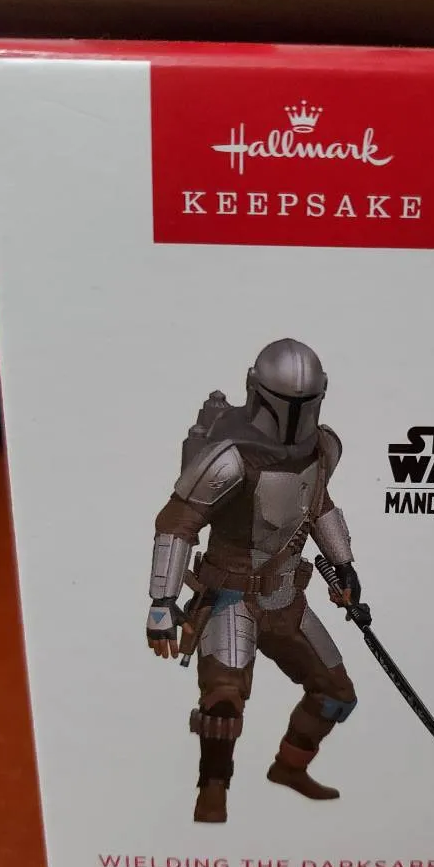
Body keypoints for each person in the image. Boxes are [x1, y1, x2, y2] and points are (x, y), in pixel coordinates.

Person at [146, 339, 371, 823]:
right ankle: (212, 790)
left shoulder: (322, 448)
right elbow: (178, 523)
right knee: (223, 700)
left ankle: (289, 768)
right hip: (230, 597)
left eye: (304, 404)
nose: (295, 417)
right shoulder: (229, 459)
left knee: (335, 694)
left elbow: (319, 507)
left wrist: (345, 566)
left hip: (286, 597)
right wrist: (162, 602)